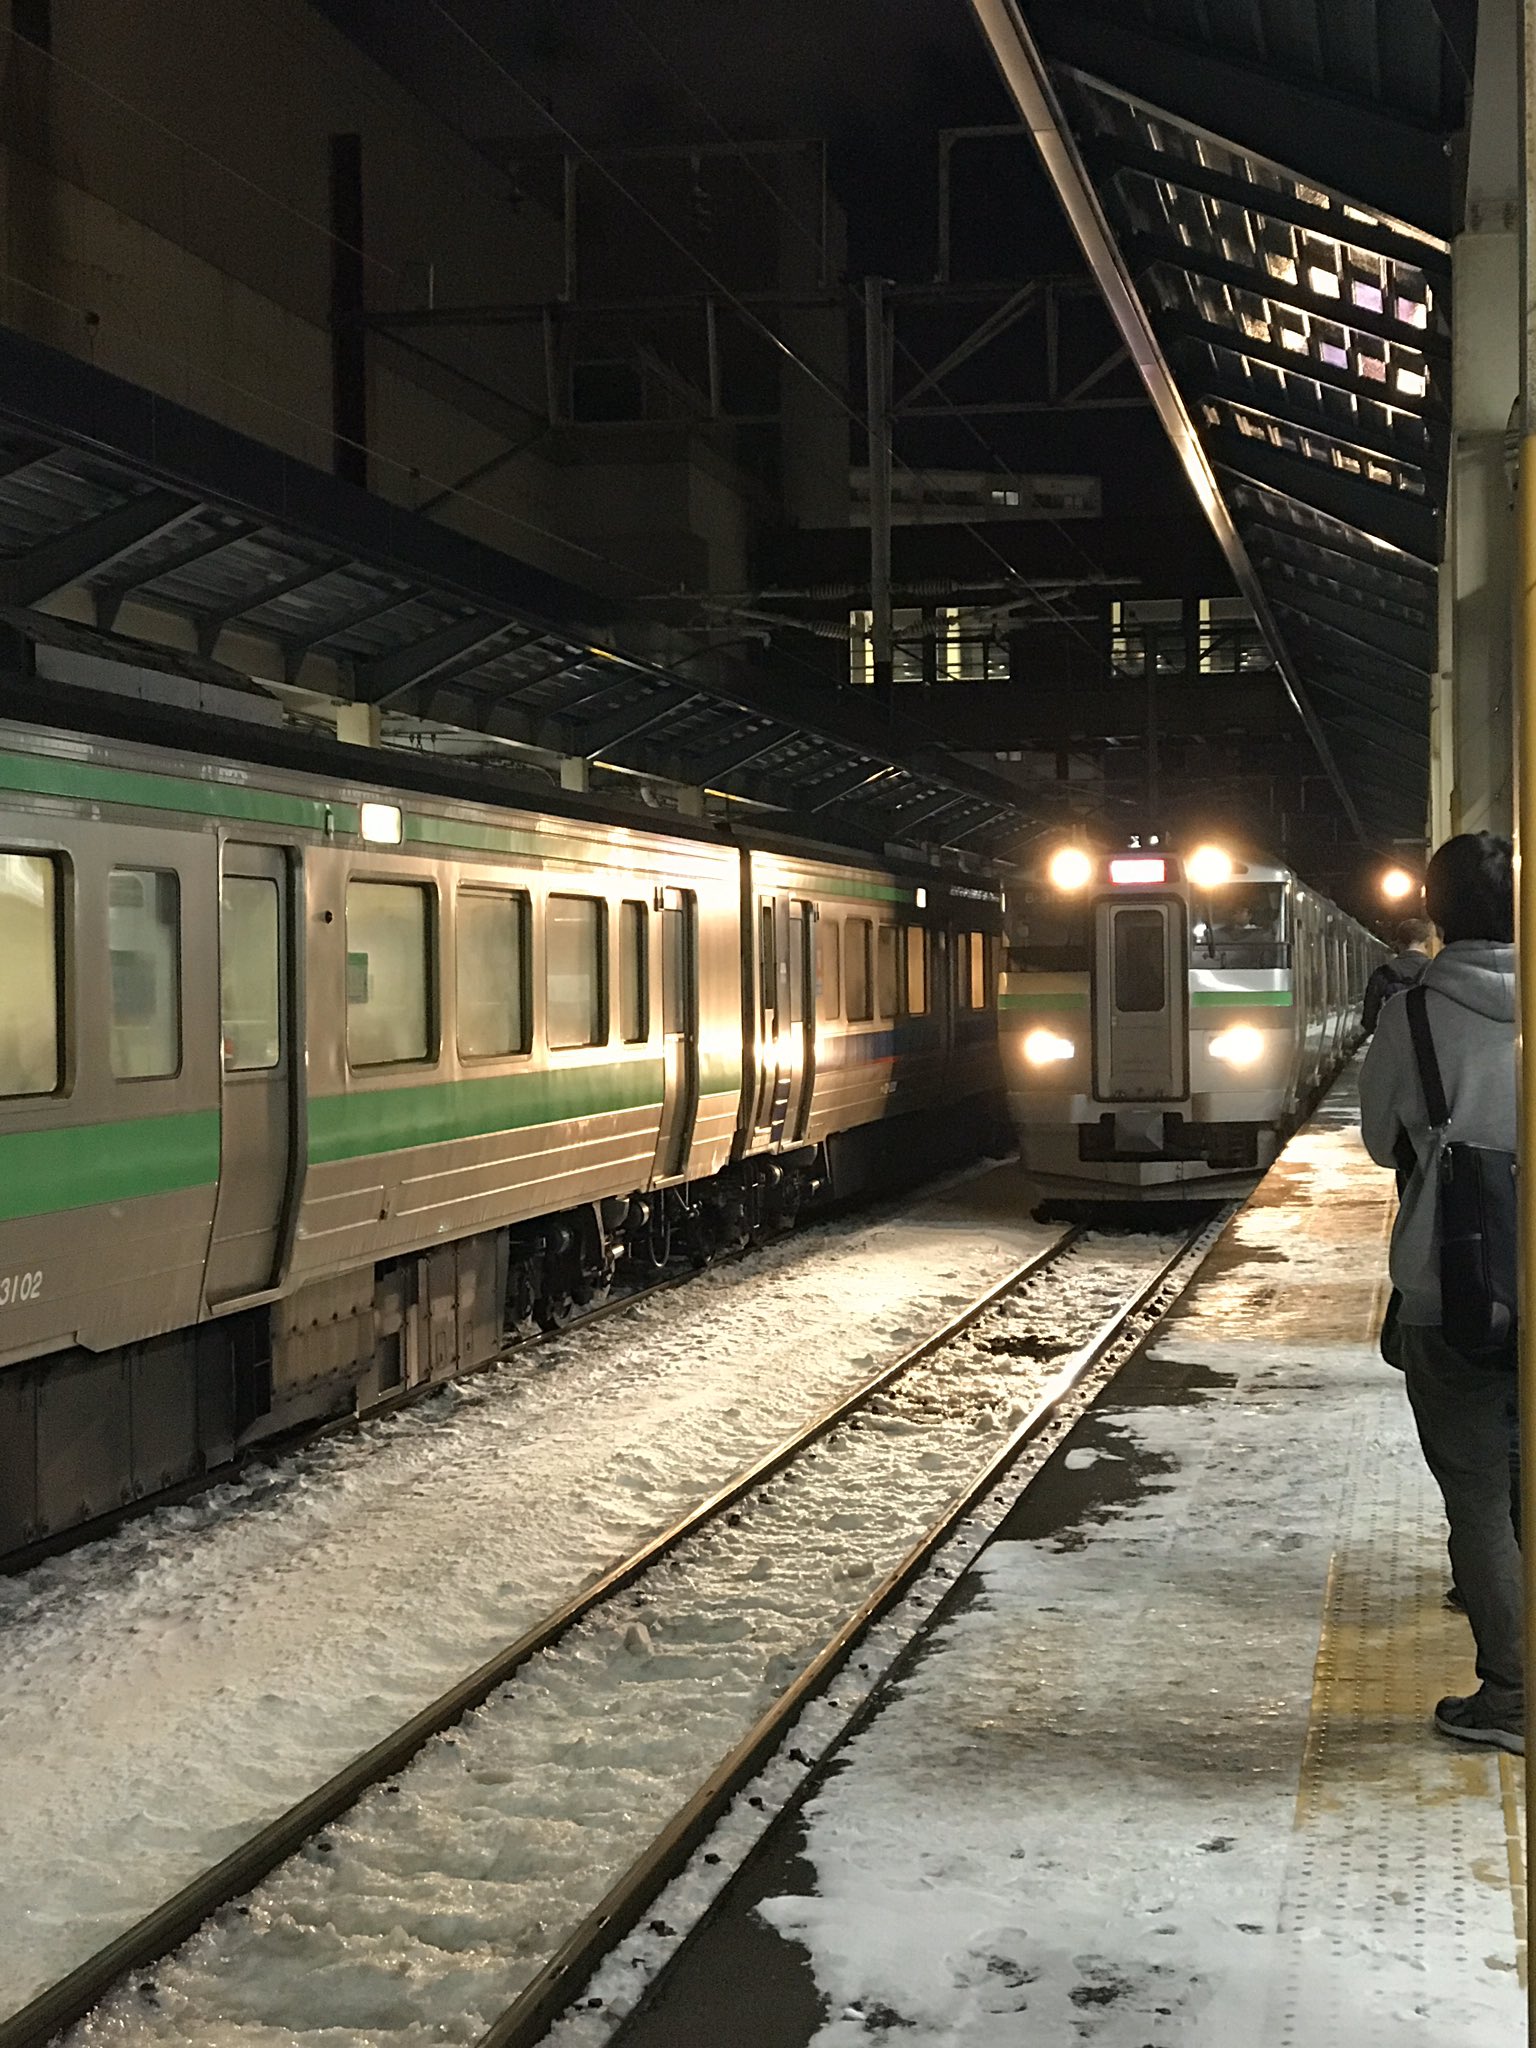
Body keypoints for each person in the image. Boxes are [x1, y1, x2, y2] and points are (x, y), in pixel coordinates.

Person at [1359, 832, 1519, 1754]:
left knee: (1479, 1496)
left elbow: (1385, 1141)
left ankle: (1513, 1696)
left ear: (1437, 908)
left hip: (1449, 1281)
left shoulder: (1413, 1012)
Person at [1361, 915, 1434, 1034]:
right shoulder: (1437, 971)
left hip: (1394, 1041)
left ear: (1399, 943)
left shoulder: (1382, 974)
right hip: (1430, 1042)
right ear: (1426, 942)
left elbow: (1369, 1020)